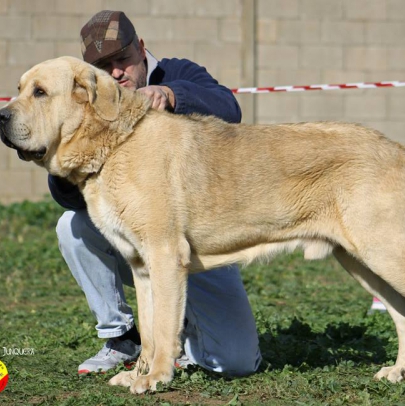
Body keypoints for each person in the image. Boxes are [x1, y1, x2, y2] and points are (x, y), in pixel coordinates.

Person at [47, 10, 261, 377]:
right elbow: (66, 197)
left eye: (122, 60)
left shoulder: (177, 73)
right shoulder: (88, 103)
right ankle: (121, 336)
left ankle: (185, 334)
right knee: (72, 227)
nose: (115, 73)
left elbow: (230, 108)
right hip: (140, 241)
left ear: (142, 49)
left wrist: (172, 94)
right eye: (102, 66)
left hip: (200, 244)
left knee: (235, 363)